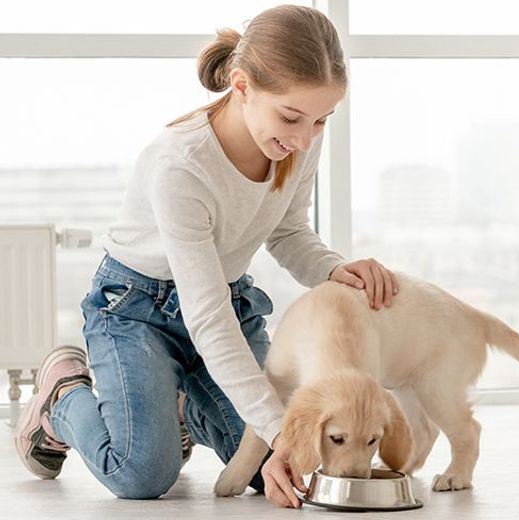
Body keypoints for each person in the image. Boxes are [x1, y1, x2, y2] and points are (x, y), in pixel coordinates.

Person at [13, 5, 394, 509]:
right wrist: (280, 430)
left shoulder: (297, 140)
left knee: (274, 468)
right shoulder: (180, 166)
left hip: (226, 303)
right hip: (137, 311)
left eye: (323, 118)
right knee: (142, 474)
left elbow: (287, 230)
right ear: (241, 86)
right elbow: (207, 318)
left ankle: (177, 407)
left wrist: (331, 268)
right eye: (292, 117)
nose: (305, 138)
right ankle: (63, 394)